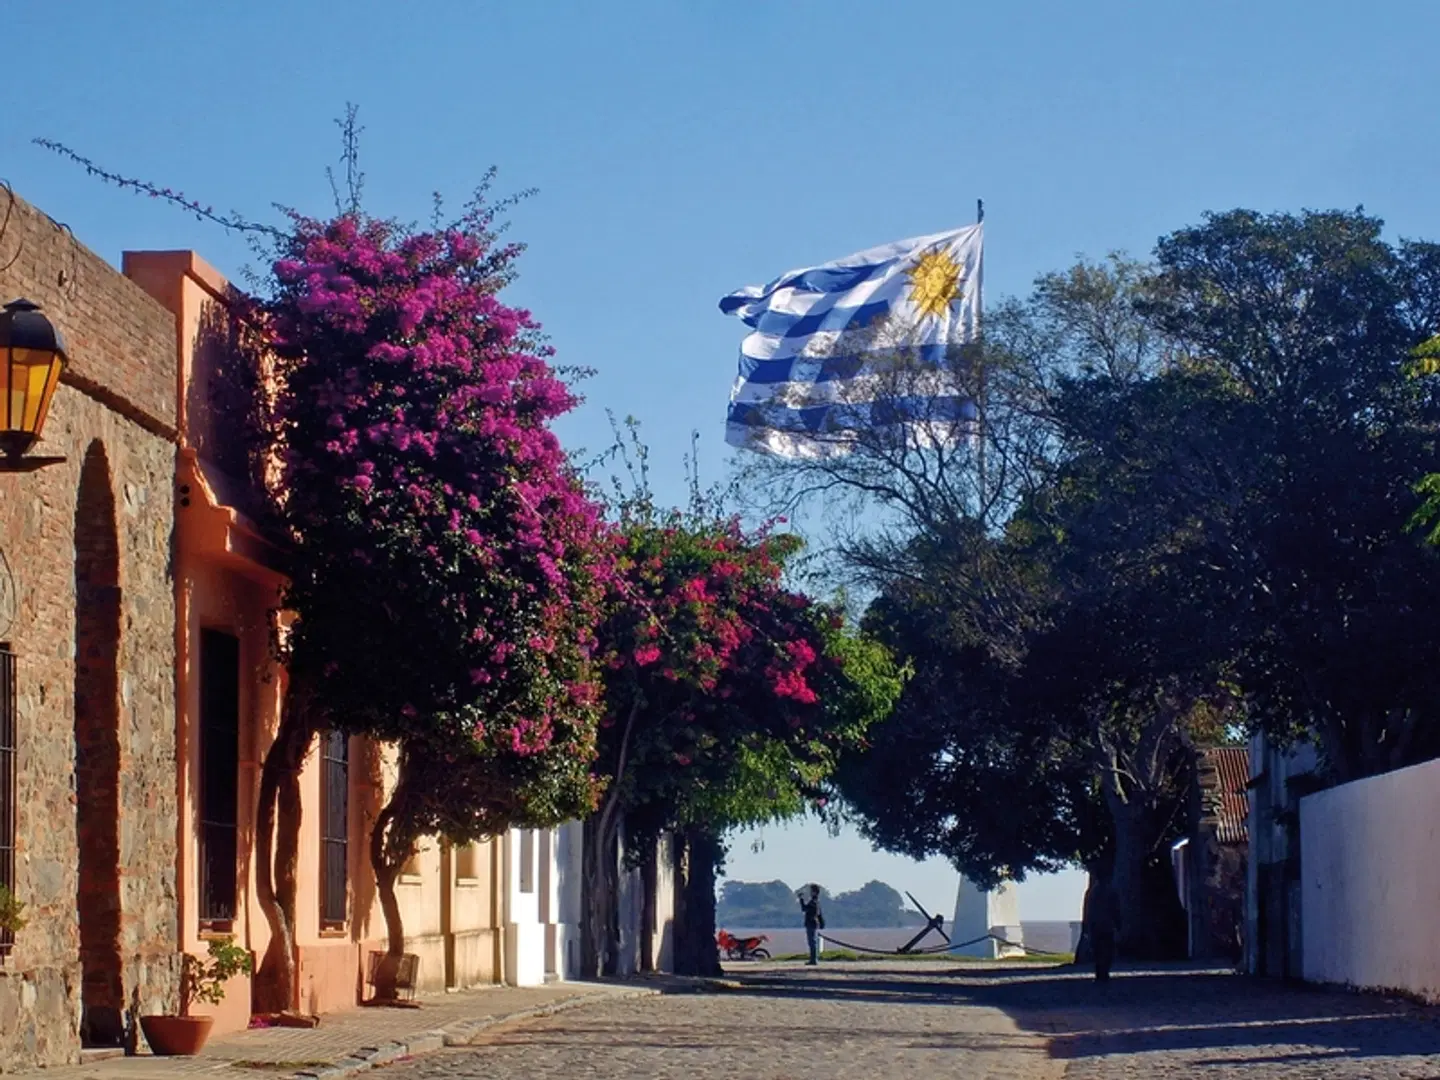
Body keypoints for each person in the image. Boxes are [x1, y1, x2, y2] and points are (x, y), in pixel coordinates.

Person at [798, 884, 825, 965]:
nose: (810, 892)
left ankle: (813, 960)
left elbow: (804, 909)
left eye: (811, 891)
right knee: (812, 942)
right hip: (814, 923)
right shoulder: (817, 902)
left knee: (812, 942)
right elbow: (819, 914)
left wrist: (801, 900)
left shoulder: (813, 902)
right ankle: (813, 959)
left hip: (811, 923)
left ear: (815, 892)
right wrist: (821, 923)